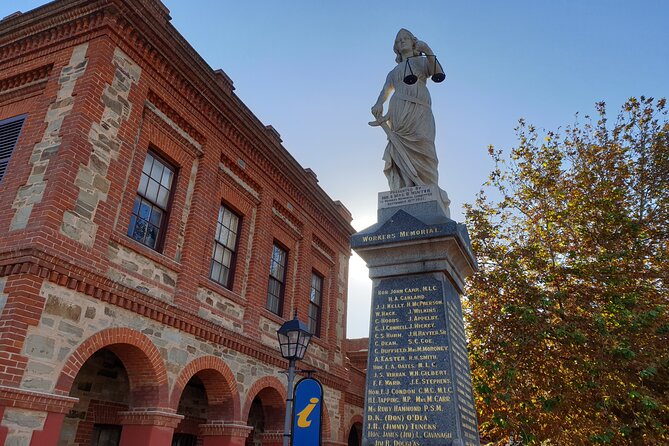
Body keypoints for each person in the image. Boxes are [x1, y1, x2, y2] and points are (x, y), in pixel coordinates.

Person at [371, 29, 444, 190]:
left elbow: (436, 72)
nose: (402, 41)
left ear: (413, 42)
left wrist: (428, 51)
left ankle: (428, 185)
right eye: (398, 40)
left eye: (405, 38)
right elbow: (385, 90)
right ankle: (405, 186)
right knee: (399, 147)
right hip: (398, 110)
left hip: (420, 108)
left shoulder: (422, 61)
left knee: (424, 144)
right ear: (396, 47)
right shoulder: (393, 72)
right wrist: (379, 103)